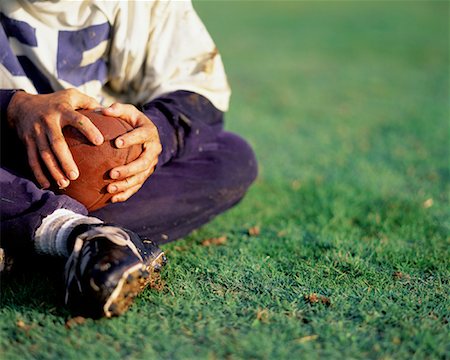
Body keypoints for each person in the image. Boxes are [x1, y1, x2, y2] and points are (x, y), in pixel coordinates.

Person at [0, 1, 257, 318]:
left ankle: (30, 235)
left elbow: (199, 95)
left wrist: (155, 136)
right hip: (7, 166)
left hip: (94, 181)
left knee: (229, 158)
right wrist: (12, 107)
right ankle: (76, 238)